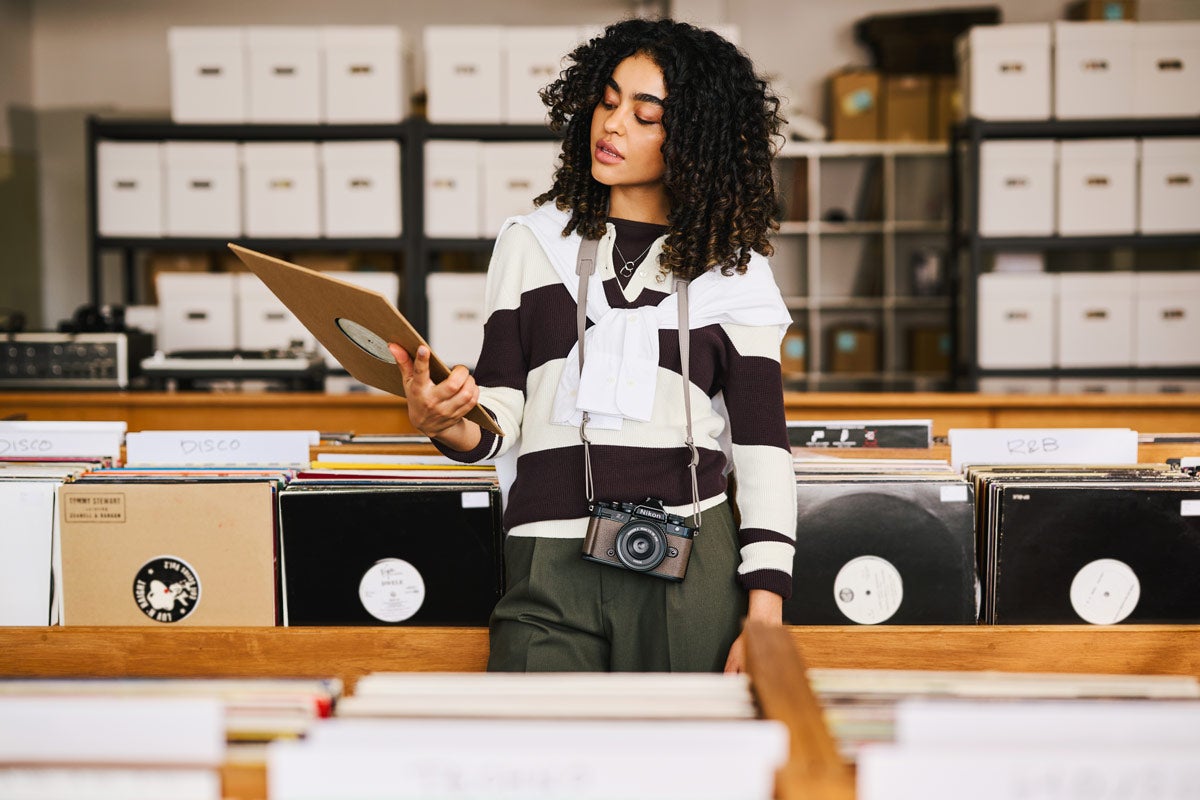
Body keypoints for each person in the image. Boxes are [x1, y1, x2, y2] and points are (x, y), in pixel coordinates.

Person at [390, 17, 797, 673]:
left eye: (645, 115)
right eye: (607, 102)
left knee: (683, 770)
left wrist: (765, 613)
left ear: (695, 139)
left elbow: (762, 453)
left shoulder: (737, 274)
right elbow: (500, 411)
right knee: (539, 763)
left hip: (691, 559)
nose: (612, 126)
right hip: (546, 555)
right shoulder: (531, 243)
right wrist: (447, 422)